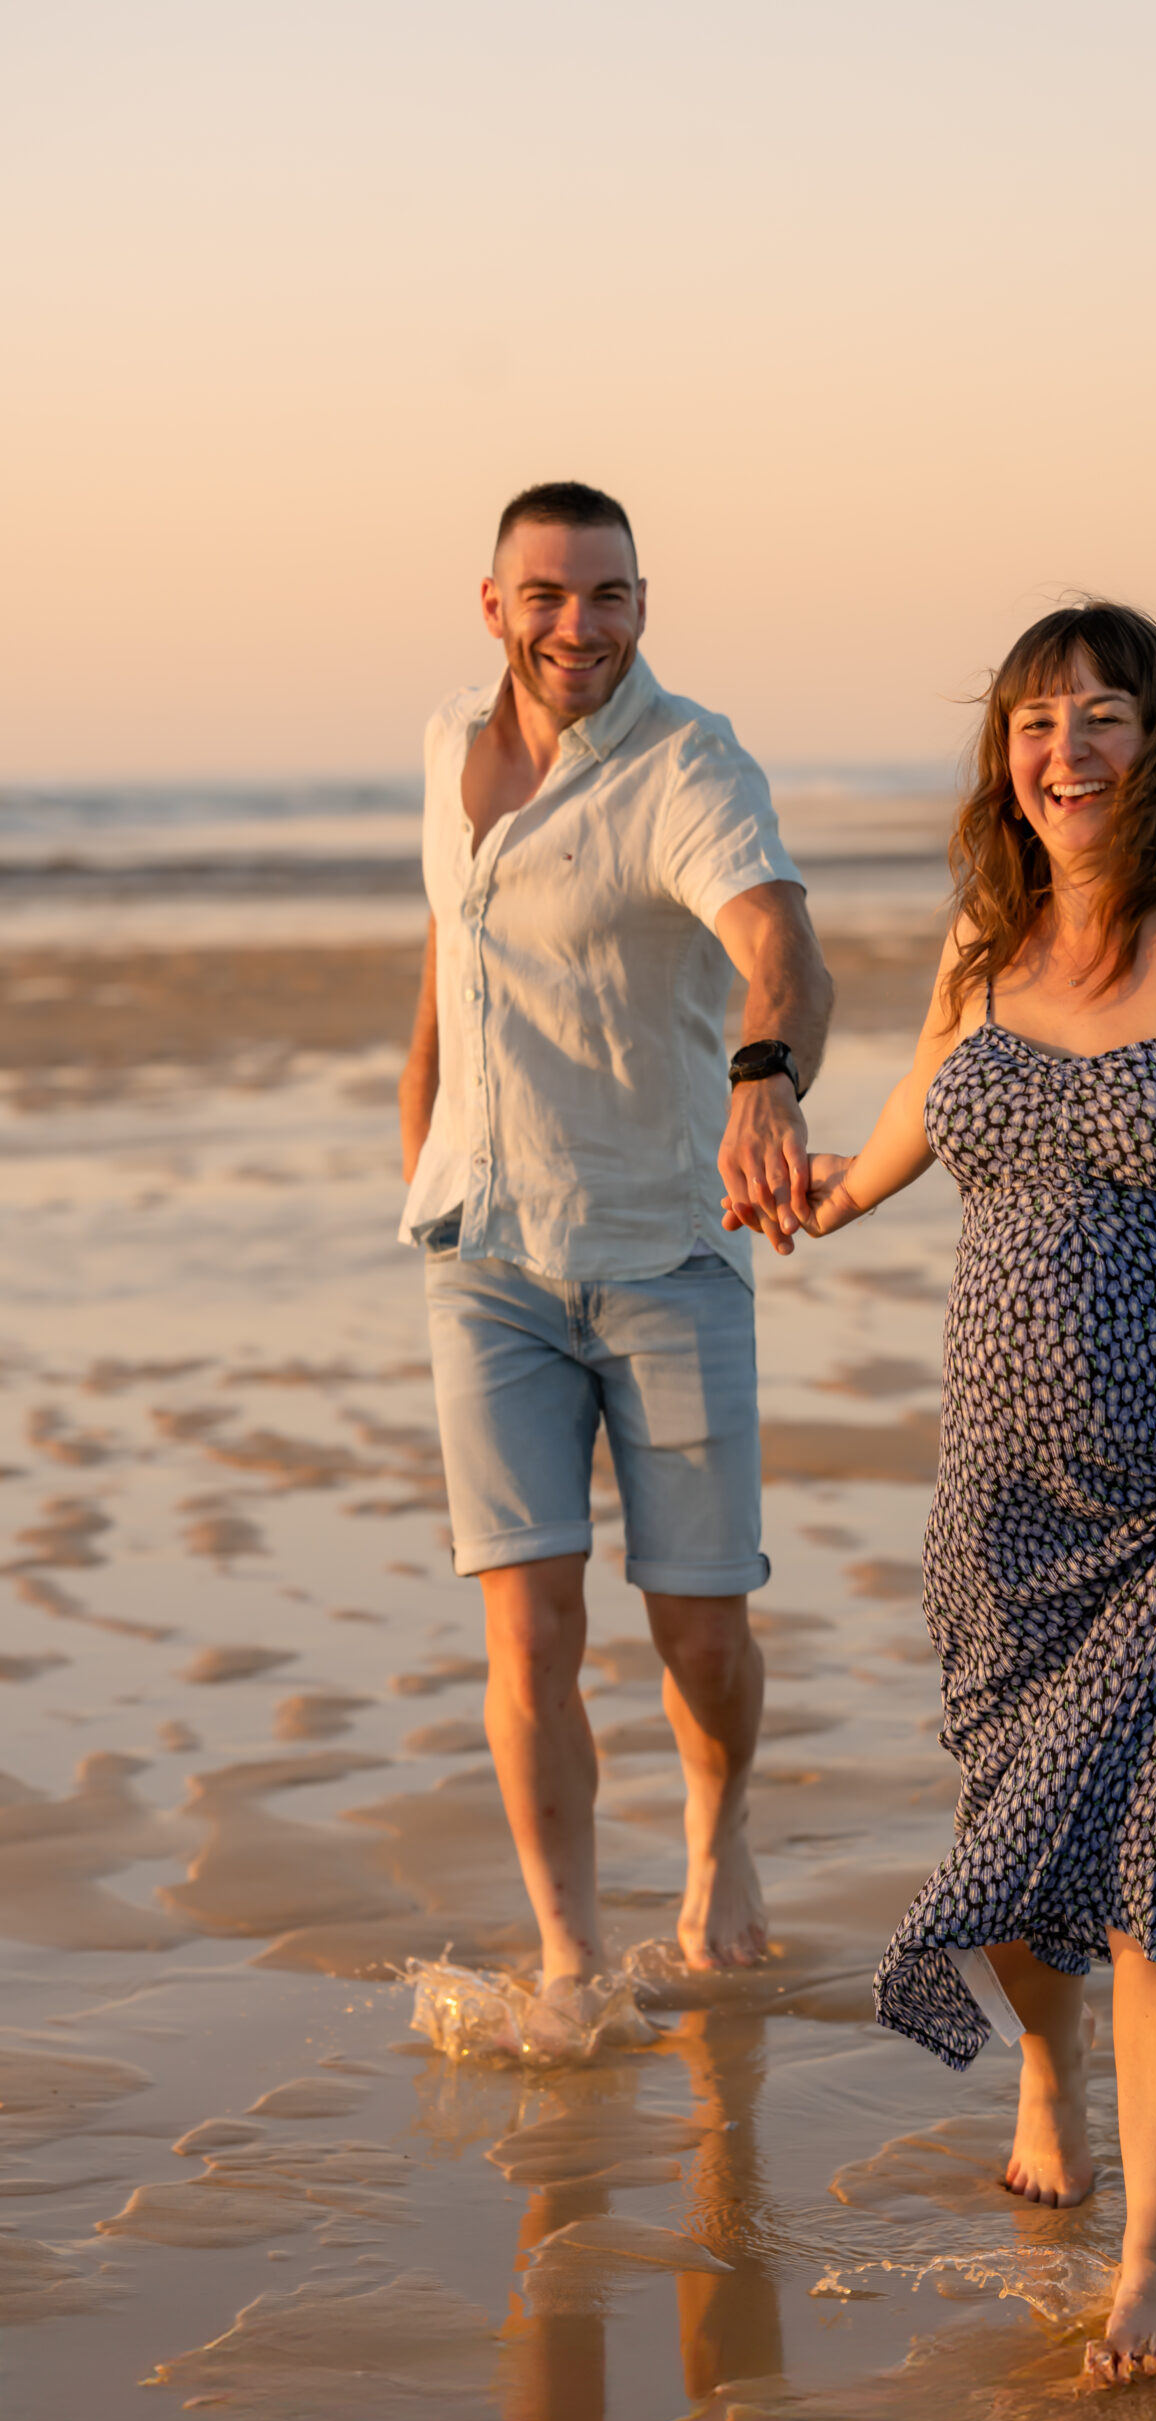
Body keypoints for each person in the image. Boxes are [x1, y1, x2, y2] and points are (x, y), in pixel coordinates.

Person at [788, 602, 1156, 2384]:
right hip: (1005, 1511)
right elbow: (915, 1116)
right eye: (1038, 721)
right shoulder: (986, 946)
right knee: (1017, 1834)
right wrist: (816, 1191)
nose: (1068, 750)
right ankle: (1050, 2067)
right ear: (1007, 758)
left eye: (1103, 714)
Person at [398, 479, 833, 2033]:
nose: (578, 625)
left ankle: (719, 1843)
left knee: (700, 1630)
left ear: (644, 604)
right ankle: (571, 1955)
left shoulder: (688, 765)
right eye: (548, 594)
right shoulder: (447, 748)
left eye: (609, 595)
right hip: (485, 1262)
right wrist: (422, 1143)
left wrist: (766, 1079)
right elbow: (449, 951)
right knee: (529, 1627)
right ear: (494, 604)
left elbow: (781, 946)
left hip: (663, 1255)